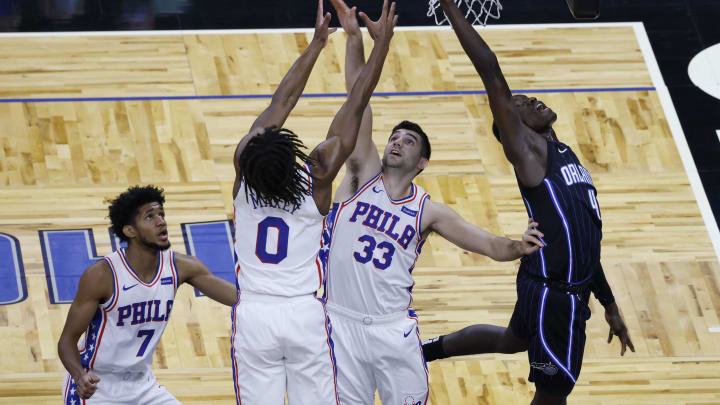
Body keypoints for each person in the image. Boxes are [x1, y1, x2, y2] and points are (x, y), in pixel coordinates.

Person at [320, 1, 545, 404]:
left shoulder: (428, 211)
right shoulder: (360, 176)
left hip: (394, 331)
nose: (396, 141)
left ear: (421, 162)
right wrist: (354, 40)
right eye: (394, 136)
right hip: (339, 324)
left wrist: (518, 244)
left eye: (408, 141)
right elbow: (358, 104)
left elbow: (490, 245)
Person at [420, 1, 635, 404]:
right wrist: (450, 6)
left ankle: (422, 351)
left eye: (527, 97)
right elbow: (490, 69)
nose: (529, 100)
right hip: (556, 295)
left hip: (554, 280)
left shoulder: (567, 154)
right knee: (553, 396)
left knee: (511, 340)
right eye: (518, 103)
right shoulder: (529, 154)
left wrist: (608, 303)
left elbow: (585, 238)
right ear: (511, 128)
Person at [229, 0, 396, 403]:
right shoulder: (317, 177)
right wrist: (381, 45)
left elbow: (279, 105)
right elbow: (355, 104)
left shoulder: (243, 180)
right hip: (304, 313)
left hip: (254, 314)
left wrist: (316, 45)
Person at [57, 185, 238, 404]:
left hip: (142, 384)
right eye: (150, 217)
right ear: (130, 231)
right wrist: (79, 377)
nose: (161, 221)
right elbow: (67, 341)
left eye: (161, 214)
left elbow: (240, 300)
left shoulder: (181, 266)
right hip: (97, 385)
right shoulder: (102, 275)